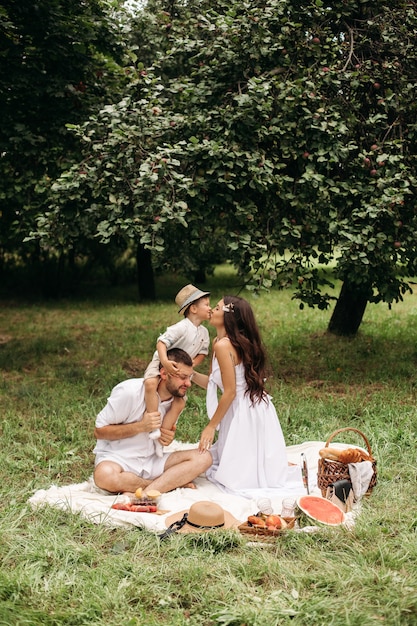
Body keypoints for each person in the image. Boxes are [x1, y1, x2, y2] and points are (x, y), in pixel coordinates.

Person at [191, 295, 289, 496]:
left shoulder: (223, 346)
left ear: (229, 318)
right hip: (237, 408)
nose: (211, 311)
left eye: (217, 308)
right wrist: (187, 373)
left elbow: (230, 391)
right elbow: (213, 381)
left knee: (238, 477)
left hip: (245, 410)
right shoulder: (217, 341)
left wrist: (210, 427)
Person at [93, 348, 212, 495]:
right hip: (119, 459)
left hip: (152, 461)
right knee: (103, 475)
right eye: (182, 377)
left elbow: (162, 438)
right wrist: (140, 427)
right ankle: (163, 485)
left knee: (204, 457)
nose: (188, 383)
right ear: (164, 373)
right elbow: (99, 432)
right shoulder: (130, 392)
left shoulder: (178, 401)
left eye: (190, 377)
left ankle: (144, 488)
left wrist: (167, 438)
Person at [143, 284, 211, 452]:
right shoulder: (182, 327)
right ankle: (153, 425)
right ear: (194, 308)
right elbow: (162, 342)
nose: (210, 308)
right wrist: (165, 362)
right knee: (151, 384)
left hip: (183, 369)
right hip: (163, 361)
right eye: (207, 305)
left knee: (179, 402)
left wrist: (192, 364)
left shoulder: (204, 333)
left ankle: (162, 436)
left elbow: (203, 352)